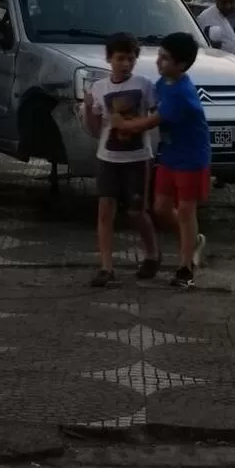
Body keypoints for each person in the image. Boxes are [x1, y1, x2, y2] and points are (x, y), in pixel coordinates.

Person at [112, 32, 211, 289]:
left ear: (182, 65)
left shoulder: (181, 92)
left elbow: (150, 121)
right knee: (161, 208)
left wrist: (125, 124)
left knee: (187, 210)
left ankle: (185, 267)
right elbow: (149, 106)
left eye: (165, 59)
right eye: (159, 56)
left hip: (190, 158)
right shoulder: (164, 83)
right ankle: (193, 241)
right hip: (169, 155)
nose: (159, 62)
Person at [83, 32, 159, 289]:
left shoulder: (145, 85)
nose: (125, 64)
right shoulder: (100, 88)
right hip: (108, 157)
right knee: (105, 211)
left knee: (137, 211)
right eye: (120, 58)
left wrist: (134, 126)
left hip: (137, 158)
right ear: (109, 59)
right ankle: (106, 266)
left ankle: (152, 253)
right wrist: (86, 108)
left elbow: (155, 116)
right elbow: (95, 129)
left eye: (130, 58)